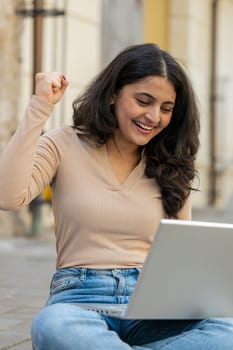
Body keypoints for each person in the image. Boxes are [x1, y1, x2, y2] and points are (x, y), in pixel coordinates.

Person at [0, 43, 233, 350]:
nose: (153, 116)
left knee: (226, 329)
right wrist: (39, 107)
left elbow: (179, 254)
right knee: (51, 326)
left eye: (166, 108)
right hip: (80, 299)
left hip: (154, 305)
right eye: (143, 101)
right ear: (113, 94)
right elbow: (8, 195)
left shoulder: (173, 165)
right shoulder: (63, 144)